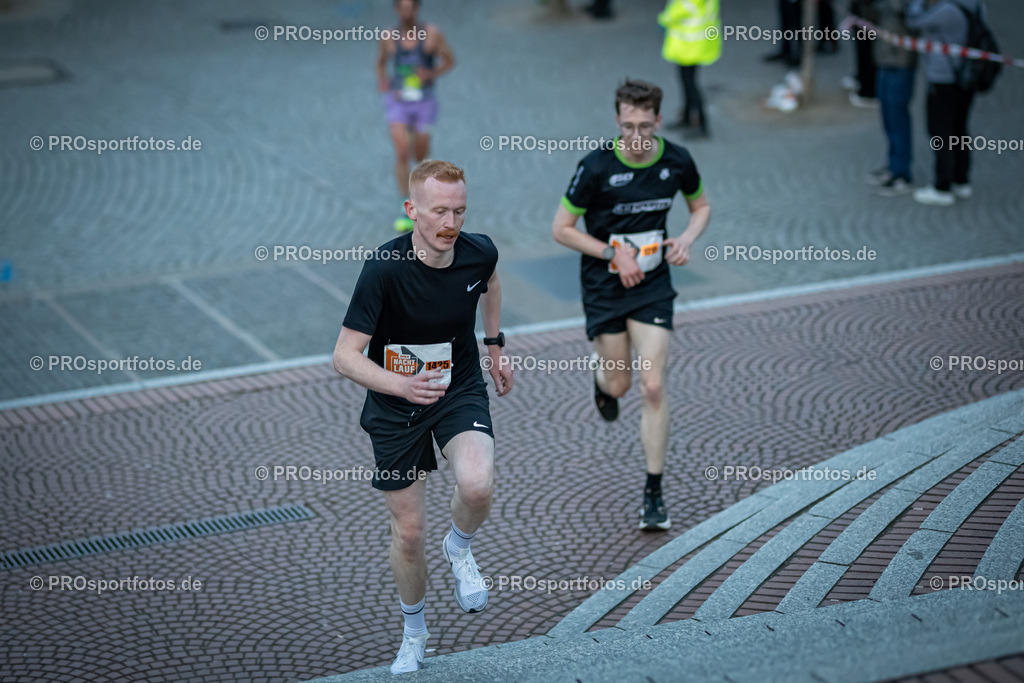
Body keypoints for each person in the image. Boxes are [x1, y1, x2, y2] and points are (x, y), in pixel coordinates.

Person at [333, 160, 513, 674]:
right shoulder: (383, 269)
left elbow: (492, 283)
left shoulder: (479, 252)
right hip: (395, 406)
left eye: (459, 210)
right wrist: (401, 385)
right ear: (412, 210)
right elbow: (344, 356)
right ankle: (415, 633)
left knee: (477, 485)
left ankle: (459, 547)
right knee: (409, 533)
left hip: (457, 388)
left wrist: (495, 345)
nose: (450, 222)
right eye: (438, 211)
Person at [551, 79, 711, 531]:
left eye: (644, 126)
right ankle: (603, 382)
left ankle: (653, 492)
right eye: (627, 127)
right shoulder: (597, 167)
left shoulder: (677, 160)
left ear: (658, 121)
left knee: (654, 385)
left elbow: (701, 207)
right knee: (620, 385)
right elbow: (561, 228)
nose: (636, 137)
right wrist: (610, 253)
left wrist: (685, 239)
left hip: (653, 284)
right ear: (617, 121)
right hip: (604, 284)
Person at [376, 0, 455, 232]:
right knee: (401, 152)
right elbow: (380, 63)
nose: (407, 12)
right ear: (397, 9)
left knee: (419, 154)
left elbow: (449, 60)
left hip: (424, 102)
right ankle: (405, 204)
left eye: (411, 7)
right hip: (398, 102)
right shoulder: (389, 37)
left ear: (417, 9)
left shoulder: (431, 35)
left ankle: (421, 193)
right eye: (403, 7)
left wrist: (431, 73)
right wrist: (384, 84)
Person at [907, 0, 982, 206]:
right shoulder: (975, 4)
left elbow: (914, 21)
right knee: (959, 128)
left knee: (940, 131)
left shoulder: (947, 9)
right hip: (966, 76)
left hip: (943, 78)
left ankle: (943, 186)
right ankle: (961, 180)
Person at [869, 0, 918, 195]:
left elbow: (911, 17)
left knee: (898, 117)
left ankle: (902, 173)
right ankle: (893, 166)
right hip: (884, 58)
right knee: (888, 117)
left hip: (900, 61)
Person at [659, 0, 722, 139]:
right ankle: (688, 117)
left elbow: (680, 9)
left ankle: (702, 124)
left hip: (689, 44)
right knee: (688, 81)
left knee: (690, 84)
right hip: (697, 43)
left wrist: (663, 19)